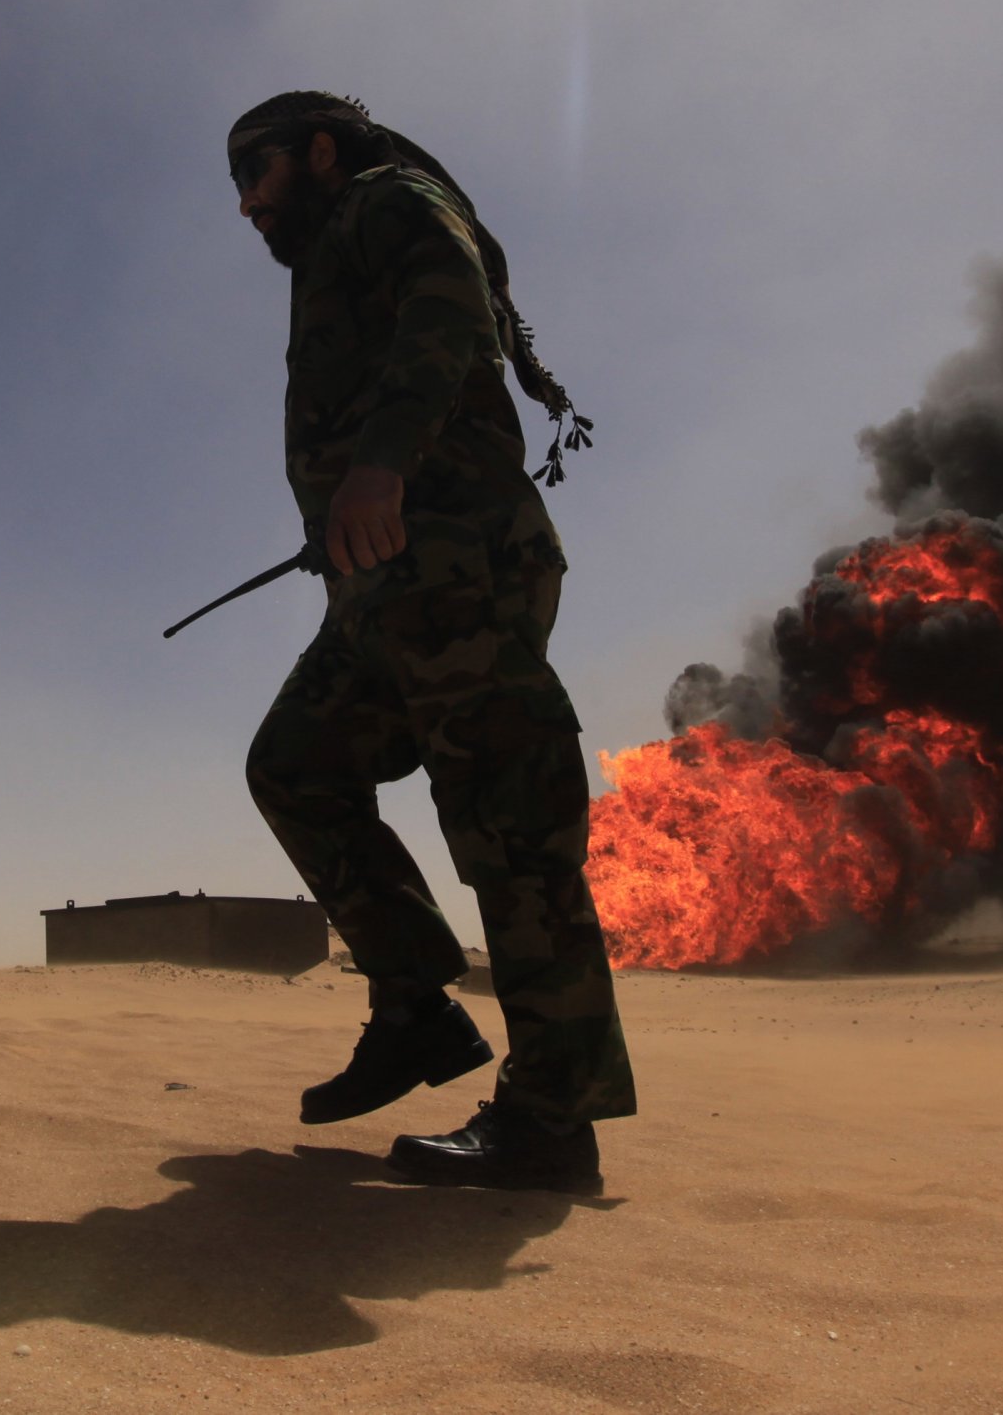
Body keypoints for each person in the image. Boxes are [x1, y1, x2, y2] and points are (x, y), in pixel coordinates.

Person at [227, 91, 635, 1194]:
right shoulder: (334, 248)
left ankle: (552, 1121)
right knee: (295, 766)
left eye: (255, 174)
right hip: (385, 594)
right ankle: (413, 1005)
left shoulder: (384, 200)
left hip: (460, 572)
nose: (246, 206)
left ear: (318, 152)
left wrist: (383, 463)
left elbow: (447, 306)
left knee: (510, 833)